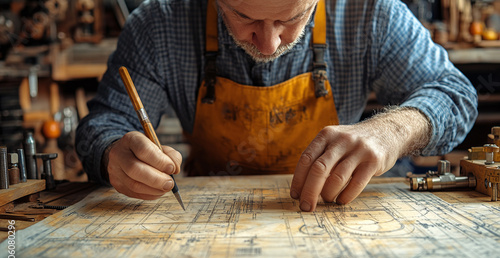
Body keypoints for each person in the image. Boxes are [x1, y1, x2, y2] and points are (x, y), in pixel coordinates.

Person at [75, 0, 478, 212]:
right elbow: (106, 123)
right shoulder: (160, 22)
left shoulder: (370, 11)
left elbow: (455, 95)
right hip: (207, 226)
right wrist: (114, 152)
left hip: (333, 213)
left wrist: (391, 131)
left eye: (292, 18)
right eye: (242, 15)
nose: (269, 45)